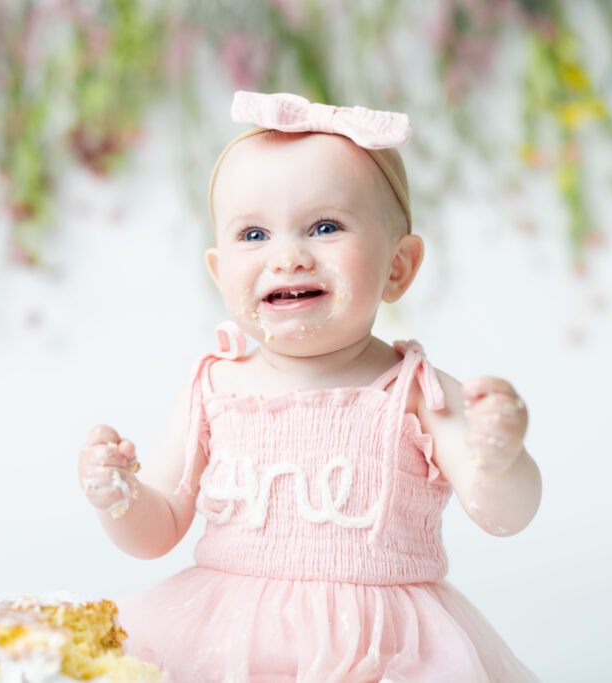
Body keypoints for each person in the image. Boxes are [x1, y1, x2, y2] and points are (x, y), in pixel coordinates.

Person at [78, 91, 542, 682]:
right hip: (225, 641)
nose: (288, 256)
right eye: (254, 236)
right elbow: (157, 529)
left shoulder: (415, 392)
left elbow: (503, 515)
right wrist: (119, 496)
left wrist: (501, 462)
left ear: (398, 266)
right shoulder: (214, 385)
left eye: (325, 227)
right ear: (220, 273)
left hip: (380, 649)